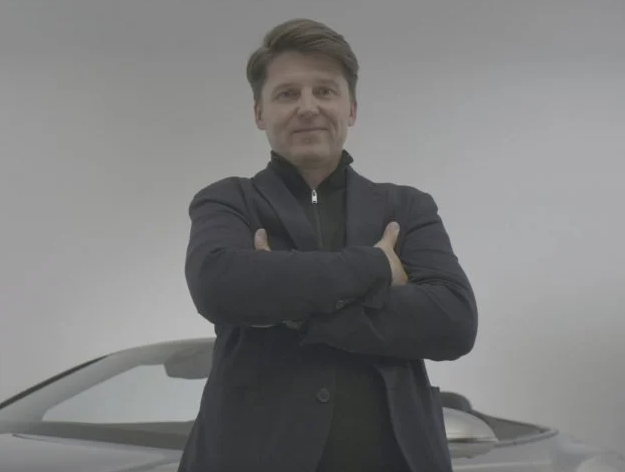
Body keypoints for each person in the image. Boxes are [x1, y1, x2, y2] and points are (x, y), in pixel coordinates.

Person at [179, 18, 478, 472]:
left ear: (350, 109)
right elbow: (219, 286)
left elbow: (453, 321)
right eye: (287, 94)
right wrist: (377, 266)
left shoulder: (406, 207)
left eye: (324, 91)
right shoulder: (228, 200)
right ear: (259, 113)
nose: (308, 107)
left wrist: (290, 307)